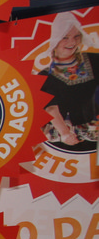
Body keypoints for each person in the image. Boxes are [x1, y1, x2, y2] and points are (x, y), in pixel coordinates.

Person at [39, 11, 99, 152]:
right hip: (66, 141)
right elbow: (51, 108)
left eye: (76, 36)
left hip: (95, 135)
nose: (72, 42)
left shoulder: (94, 60)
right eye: (65, 37)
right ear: (56, 39)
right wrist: (65, 133)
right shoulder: (44, 75)